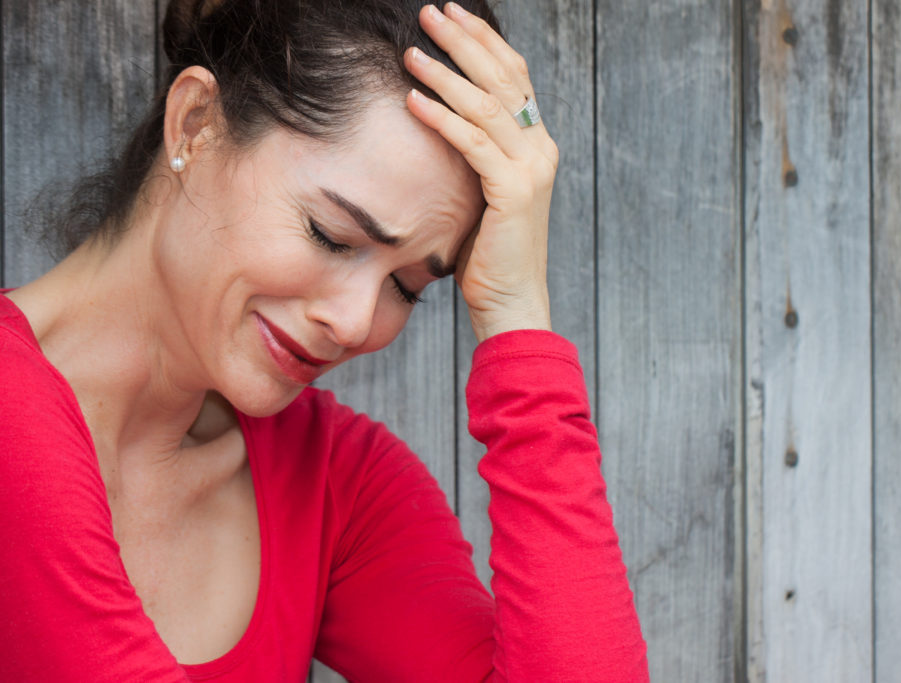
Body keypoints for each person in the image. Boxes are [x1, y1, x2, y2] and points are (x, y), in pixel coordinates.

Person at [0, 0, 647, 680]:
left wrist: (516, 313)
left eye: (406, 287)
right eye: (331, 234)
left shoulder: (338, 481)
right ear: (196, 122)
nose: (355, 321)